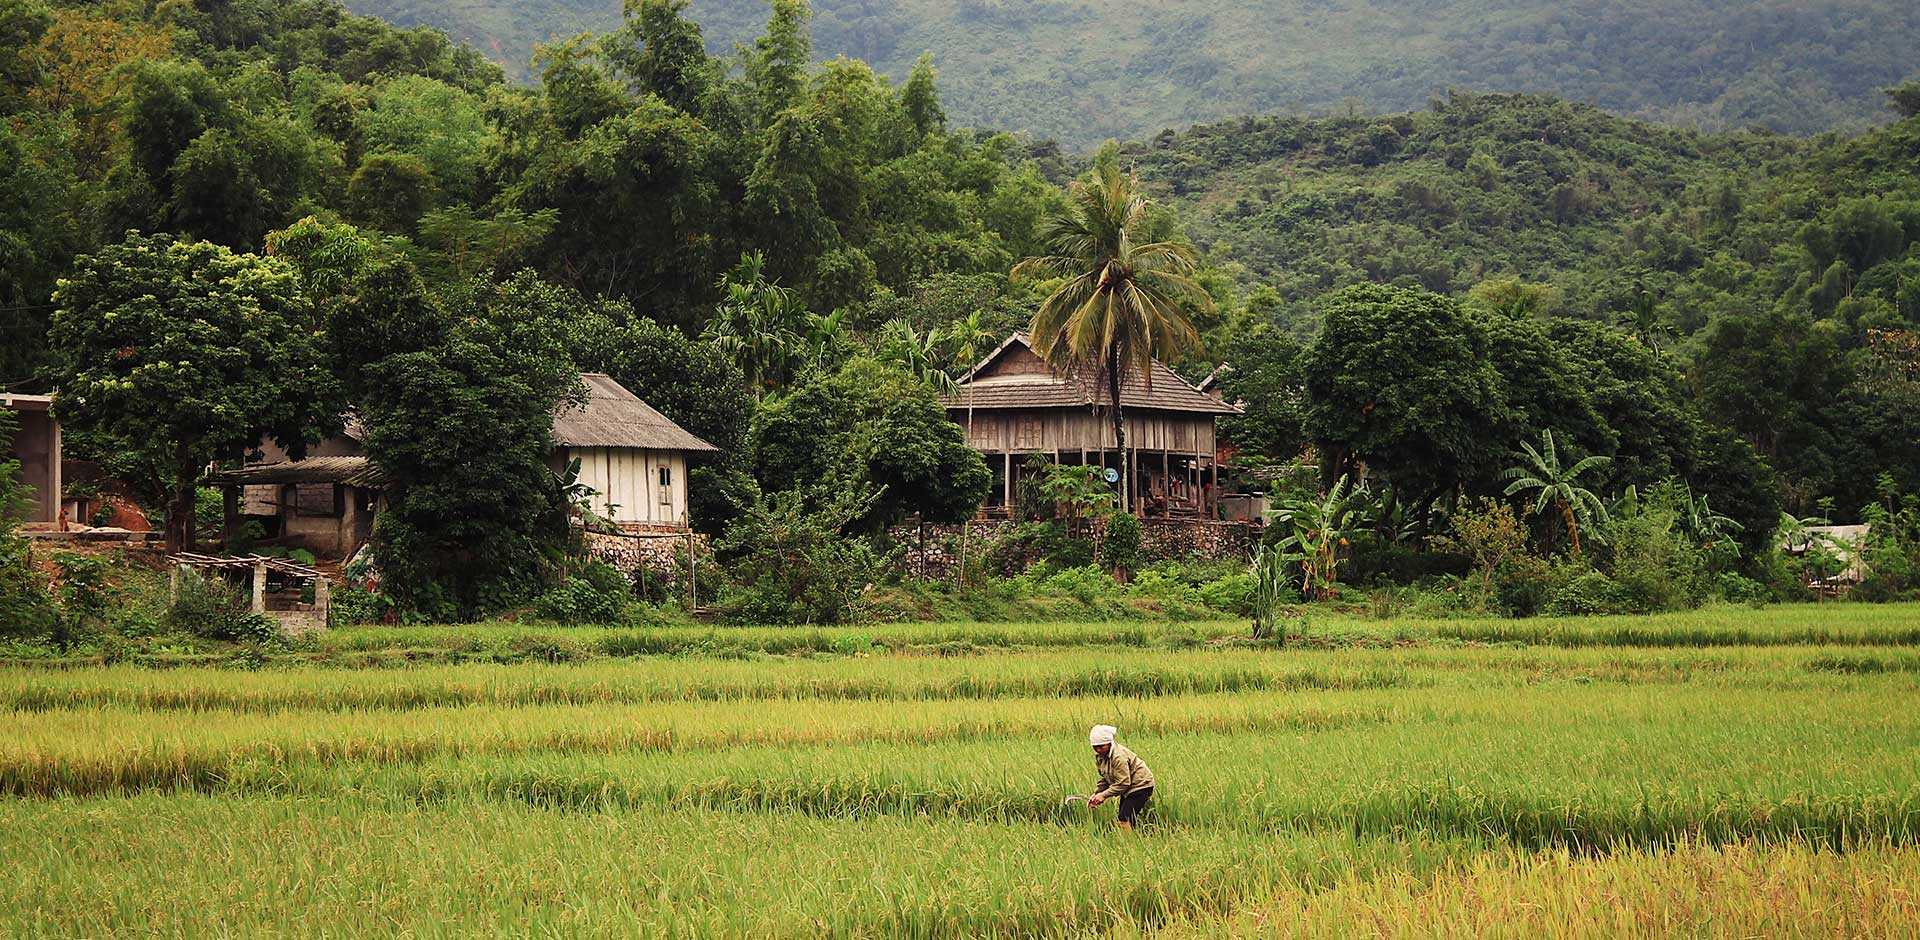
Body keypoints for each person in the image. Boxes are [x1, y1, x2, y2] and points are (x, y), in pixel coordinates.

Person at [1086, 724, 1155, 830]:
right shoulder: (1101, 757)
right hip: (1128, 787)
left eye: (1101, 746)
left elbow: (1123, 783)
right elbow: (1107, 778)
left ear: (1109, 743)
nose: (1098, 750)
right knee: (1126, 818)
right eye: (1095, 747)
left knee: (1124, 819)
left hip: (1140, 785)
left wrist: (1103, 795)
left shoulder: (1118, 757)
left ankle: (1127, 844)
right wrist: (1096, 794)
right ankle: (1131, 840)